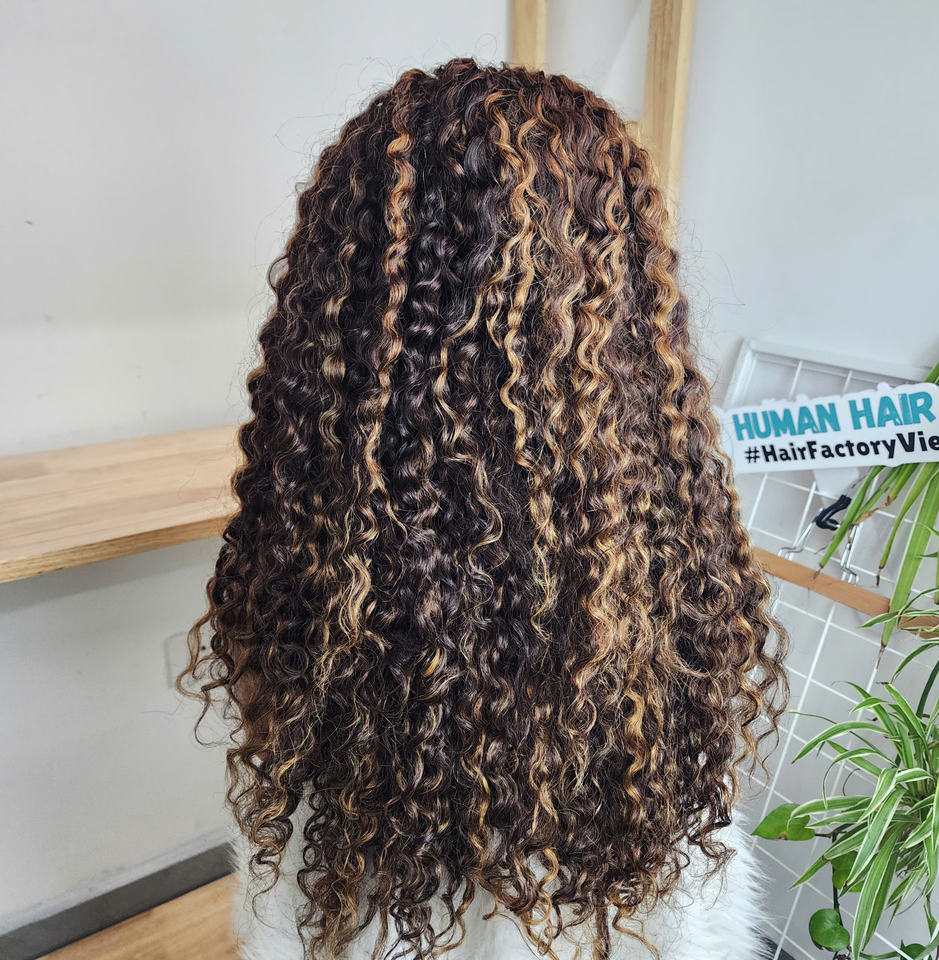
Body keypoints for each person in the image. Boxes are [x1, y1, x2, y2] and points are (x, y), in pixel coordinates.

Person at [183, 57, 788, 960]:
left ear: (347, 281)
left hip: (364, 893)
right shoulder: (647, 494)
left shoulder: (322, 491)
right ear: (617, 277)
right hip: (593, 906)